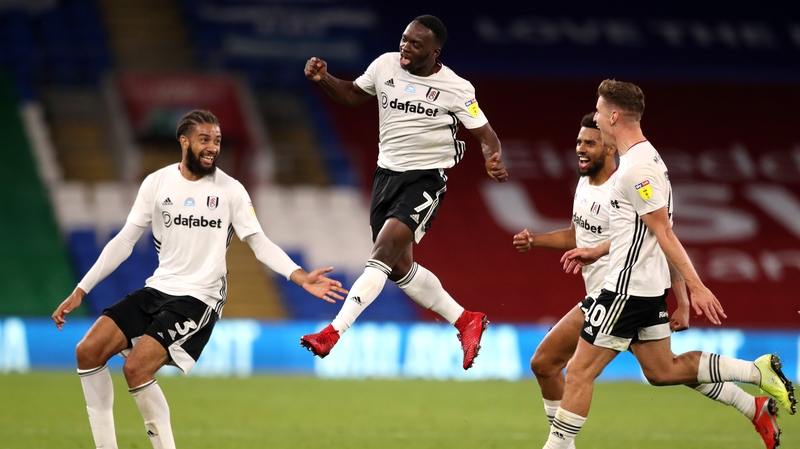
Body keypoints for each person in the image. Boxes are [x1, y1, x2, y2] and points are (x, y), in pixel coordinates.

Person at [51, 110, 348, 449]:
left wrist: (300, 277)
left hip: (200, 297)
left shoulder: (231, 191)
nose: (212, 147)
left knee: (136, 369)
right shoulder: (157, 183)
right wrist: (81, 289)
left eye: (217, 141)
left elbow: (259, 242)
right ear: (184, 141)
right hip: (159, 288)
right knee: (87, 351)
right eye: (205, 140)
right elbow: (124, 241)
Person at [540, 81, 796, 449]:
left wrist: (694, 287)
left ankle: (558, 446)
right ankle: (756, 374)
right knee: (663, 371)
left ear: (614, 116)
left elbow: (664, 233)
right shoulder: (642, 160)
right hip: (641, 288)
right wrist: (597, 251)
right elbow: (648, 231)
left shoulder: (636, 169)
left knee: (579, 371)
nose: (595, 116)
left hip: (625, 290)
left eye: (598, 111)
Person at [299, 14, 507, 370]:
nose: (405, 47)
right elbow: (351, 95)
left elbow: (486, 135)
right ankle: (465, 320)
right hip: (386, 178)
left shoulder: (456, 87)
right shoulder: (384, 65)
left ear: (434, 52)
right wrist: (324, 80)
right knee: (397, 268)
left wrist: (492, 159)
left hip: (424, 180)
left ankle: (333, 332)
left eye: (415, 44)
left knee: (383, 251)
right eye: (404, 39)